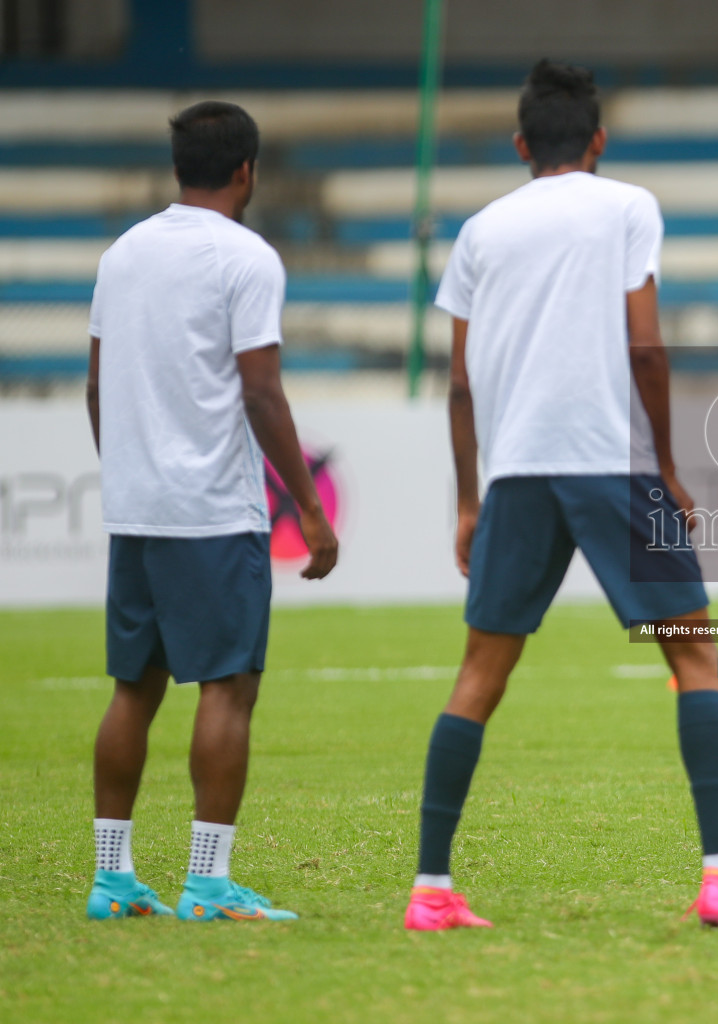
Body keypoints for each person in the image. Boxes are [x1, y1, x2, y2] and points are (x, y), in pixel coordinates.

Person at [403, 60, 718, 931]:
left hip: (518, 468)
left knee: (477, 678)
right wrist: (670, 469)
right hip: (616, 461)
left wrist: (469, 498)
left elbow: (459, 382)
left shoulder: (481, 231)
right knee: (694, 660)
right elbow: (645, 347)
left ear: (522, 143)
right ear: (598, 140)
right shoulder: (627, 207)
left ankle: (431, 890)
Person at [85, 100, 339, 922]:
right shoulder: (247, 258)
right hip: (213, 513)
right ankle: (206, 882)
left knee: (134, 689)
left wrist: (127, 471)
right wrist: (307, 504)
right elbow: (261, 391)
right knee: (228, 689)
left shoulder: (122, 255)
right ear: (246, 171)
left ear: (177, 168)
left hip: (137, 507)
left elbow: (98, 384)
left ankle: (111, 878)